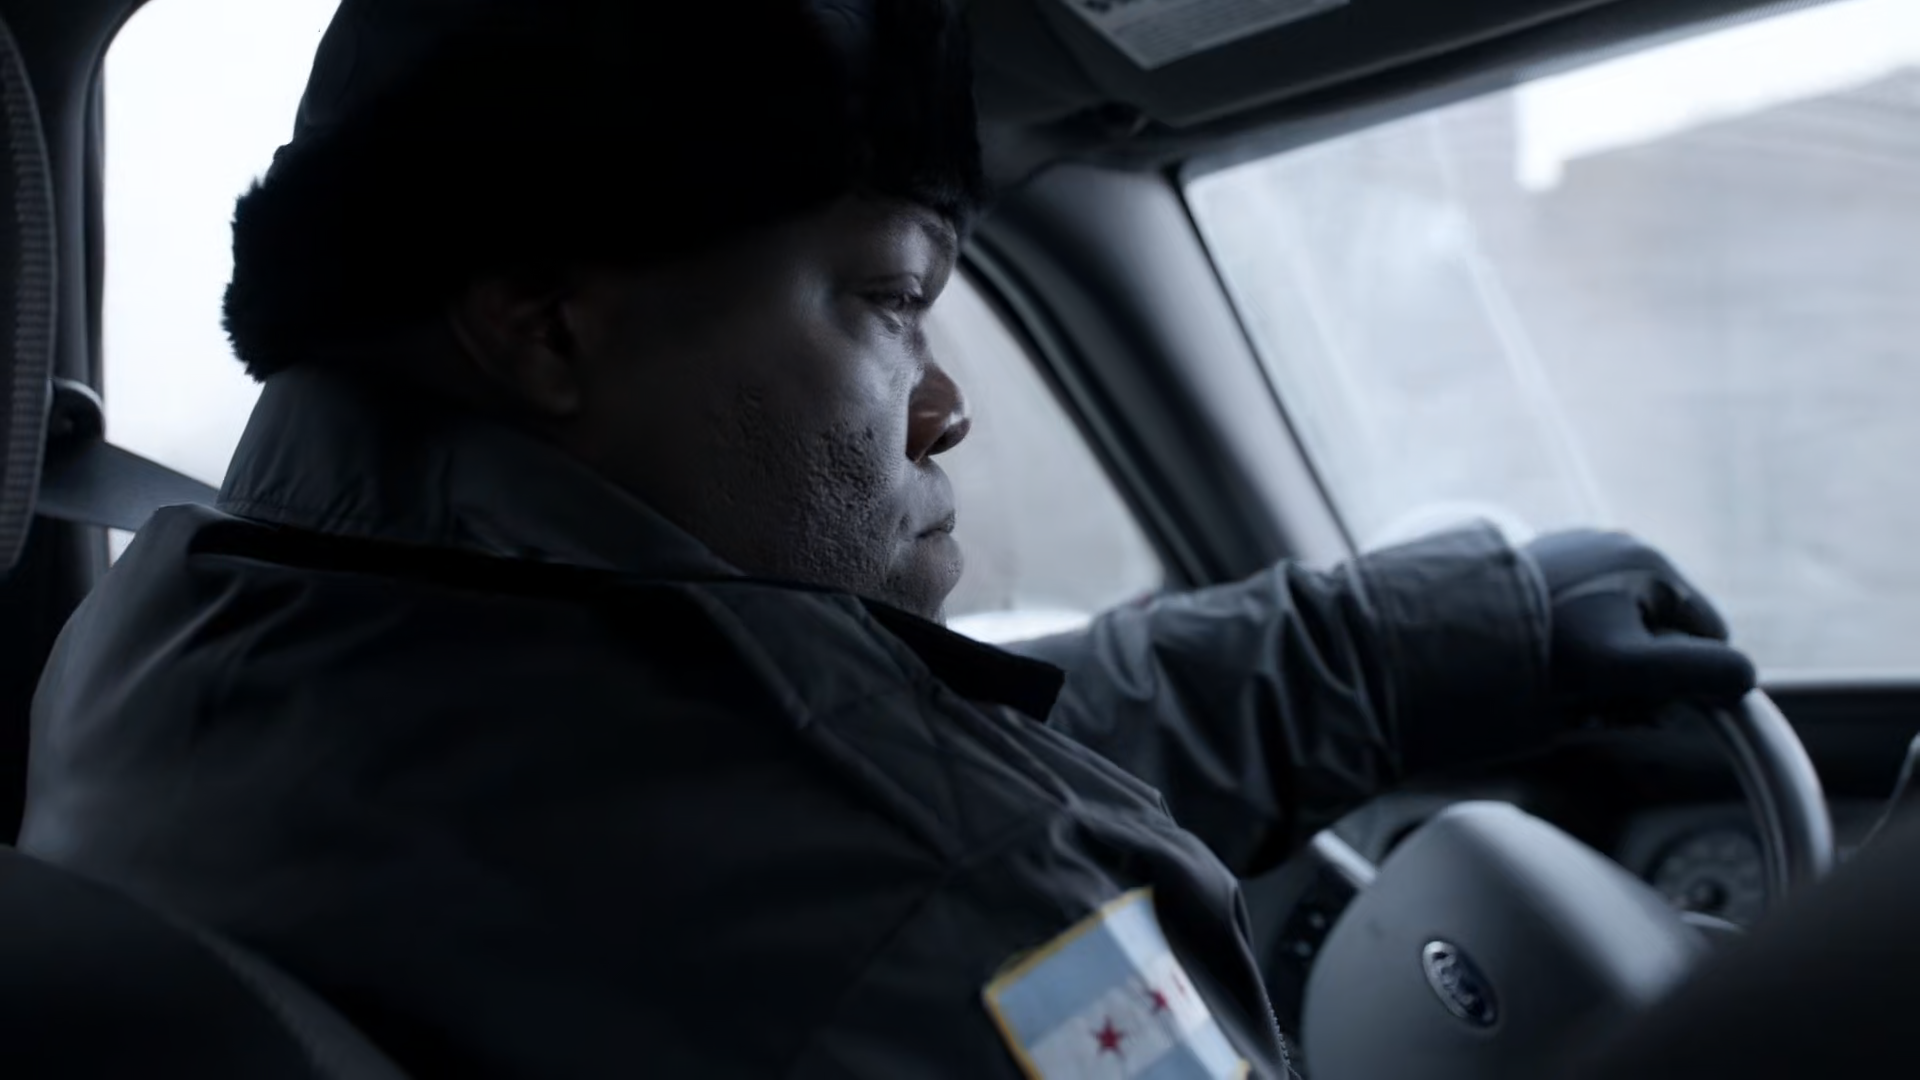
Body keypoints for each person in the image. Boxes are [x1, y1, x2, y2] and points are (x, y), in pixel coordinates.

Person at [21, 1, 1754, 1076]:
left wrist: (1379, 649)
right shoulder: (976, 913)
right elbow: (906, 837)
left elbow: (781, 763)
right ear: (545, 326)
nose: (944, 406)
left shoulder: (189, 633)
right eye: (891, 301)